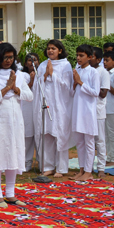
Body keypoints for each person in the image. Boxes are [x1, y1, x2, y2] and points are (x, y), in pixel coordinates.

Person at [0, 43, 33, 208]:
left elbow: (29, 96)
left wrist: (16, 89)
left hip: (15, 121)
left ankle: (10, 194)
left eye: (11, 57)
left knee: (13, 155)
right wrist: (6, 88)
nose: (9, 60)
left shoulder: (19, 75)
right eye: (5, 57)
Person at [34, 39, 73, 177]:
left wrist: (52, 74)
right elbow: (36, 85)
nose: (50, 50)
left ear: (60, 51)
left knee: (60, 135)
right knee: (46, 135)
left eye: (54, 48)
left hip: (59, 107)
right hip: (45, 105)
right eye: (49, 48)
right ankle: (48, 166)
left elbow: (67, 87)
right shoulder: (42, 65)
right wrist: (44, 75)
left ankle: (61, 168)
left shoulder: (65, 65)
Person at [69, 45, 100, 181]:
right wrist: (75, 84)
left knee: (89, 142)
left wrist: (80, 82)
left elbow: (95, 92)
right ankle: (81, 170)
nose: (78, 58)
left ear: (90, 57)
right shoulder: (77, 71)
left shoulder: (94, 72)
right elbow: (71, 93)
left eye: (81, 55)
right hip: (77, 110)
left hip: (88, 112)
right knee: (80, 142)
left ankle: (88, 171)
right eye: (77, 55)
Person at [90, 48, 111, 178]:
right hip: (86, 111)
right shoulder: (85, 71)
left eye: (91, 56)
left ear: (98, 59)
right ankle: (88, 167)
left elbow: (103, 94)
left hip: (98, 111)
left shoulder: (103, 72)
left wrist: (88, 87)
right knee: (88, 141)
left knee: (100, 141)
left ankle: (101, 168)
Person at [21, 53, 40, 172]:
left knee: (39, 135)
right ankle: (27, 162)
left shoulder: (42, 72)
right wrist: (32, 80)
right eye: (29, 60)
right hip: (27, 107)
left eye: (35, 59)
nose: (32, 62)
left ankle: (41, 162)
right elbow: (23, 91)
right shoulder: (22, 75)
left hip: (38, 107)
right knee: (27, 135)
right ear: (25, 63)